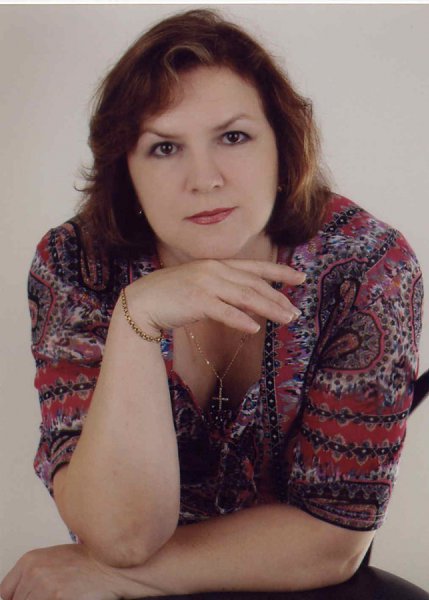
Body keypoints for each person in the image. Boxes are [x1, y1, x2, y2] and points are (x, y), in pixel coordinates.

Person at [0, 8, 423, 600]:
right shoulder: (77, 263)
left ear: (284, 149)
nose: (204, 179)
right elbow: (120, 535)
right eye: (164, 147)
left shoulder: (368, 266)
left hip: (303, 586)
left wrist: (112, 575)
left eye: (233, 137)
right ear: (126, 172)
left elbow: (334, 539)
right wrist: (137, 319)